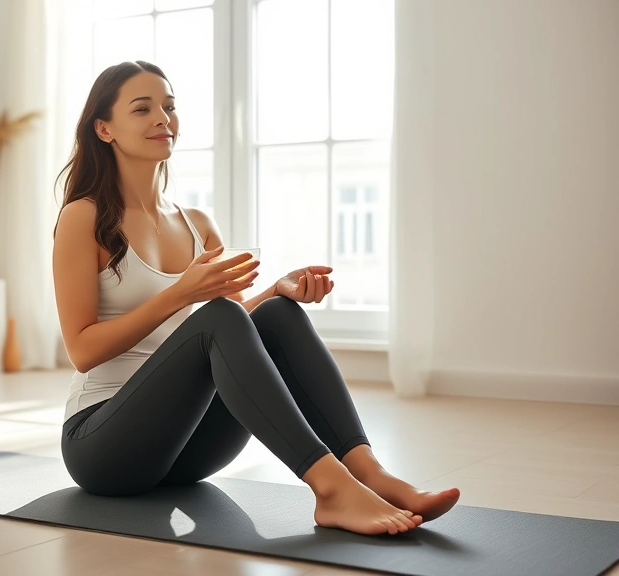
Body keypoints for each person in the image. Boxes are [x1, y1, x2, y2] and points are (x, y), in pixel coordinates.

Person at [51, 61, 460, 536]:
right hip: (105, 445)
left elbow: (233, 334)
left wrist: (275, 291)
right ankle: (332, 490)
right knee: (218, 315)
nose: (163, 118)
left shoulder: (197, 223)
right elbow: (81, 350)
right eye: (143, 109)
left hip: (188, 448)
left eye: (169, 106)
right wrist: (180, 294)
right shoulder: (84, 218)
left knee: (276, 315)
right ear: (104, 128)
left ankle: (368, 473)